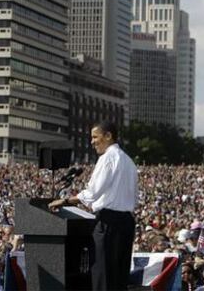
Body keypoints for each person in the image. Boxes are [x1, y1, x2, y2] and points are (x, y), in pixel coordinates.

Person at [48, 121, 138, 291]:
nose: (92, 142)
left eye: (95, 137)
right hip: (126, 222)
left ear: (108, 136)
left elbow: (93, 192)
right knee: (119, 276)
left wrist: (65, 201)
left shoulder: (108, 158)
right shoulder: (129, 161)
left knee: (103, 274)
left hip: (108, 222)